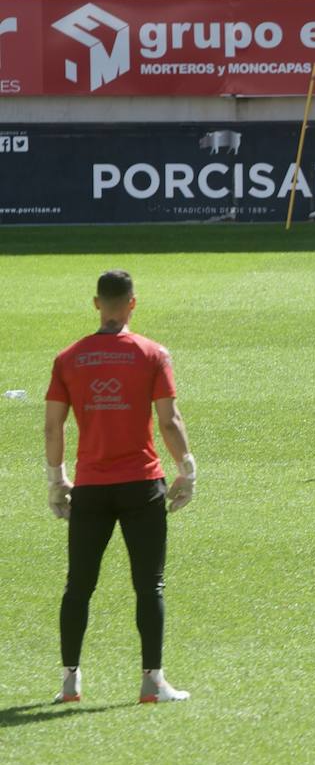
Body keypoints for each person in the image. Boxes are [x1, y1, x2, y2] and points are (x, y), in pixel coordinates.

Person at [44, 269, 198, 705]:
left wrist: (56, 482)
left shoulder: (68, 358)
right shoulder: (152, 353)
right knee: (150, 585)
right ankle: (152, 681)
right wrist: (187, 468)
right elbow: (169, 419)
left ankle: (70, 680)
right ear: (133, 302)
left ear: (96, 303)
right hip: (142, 484)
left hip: (91, 487)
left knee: (78, 586)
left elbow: (53, 427)